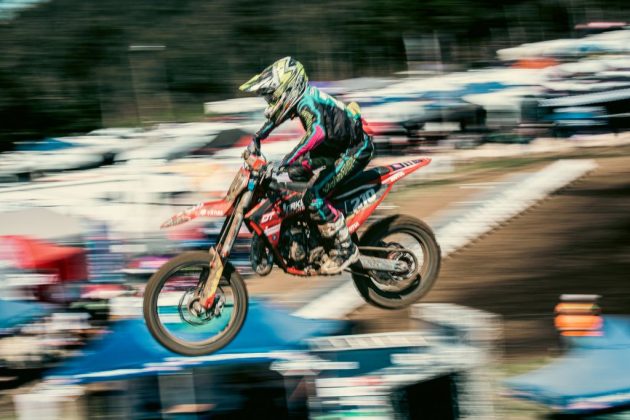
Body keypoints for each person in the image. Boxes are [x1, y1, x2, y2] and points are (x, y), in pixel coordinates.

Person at [240, 57, 374, 274]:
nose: (270, 101)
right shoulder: (300, 100)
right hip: (334, 149)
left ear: (288, 88)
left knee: (313, 196)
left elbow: (317, 132)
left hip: (353, 150)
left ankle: (344, 247)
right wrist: (257, 138)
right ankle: (308, 225)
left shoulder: (306, 102)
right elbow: (276, 120)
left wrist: (287, 158)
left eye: (272, 96)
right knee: (291, 174)